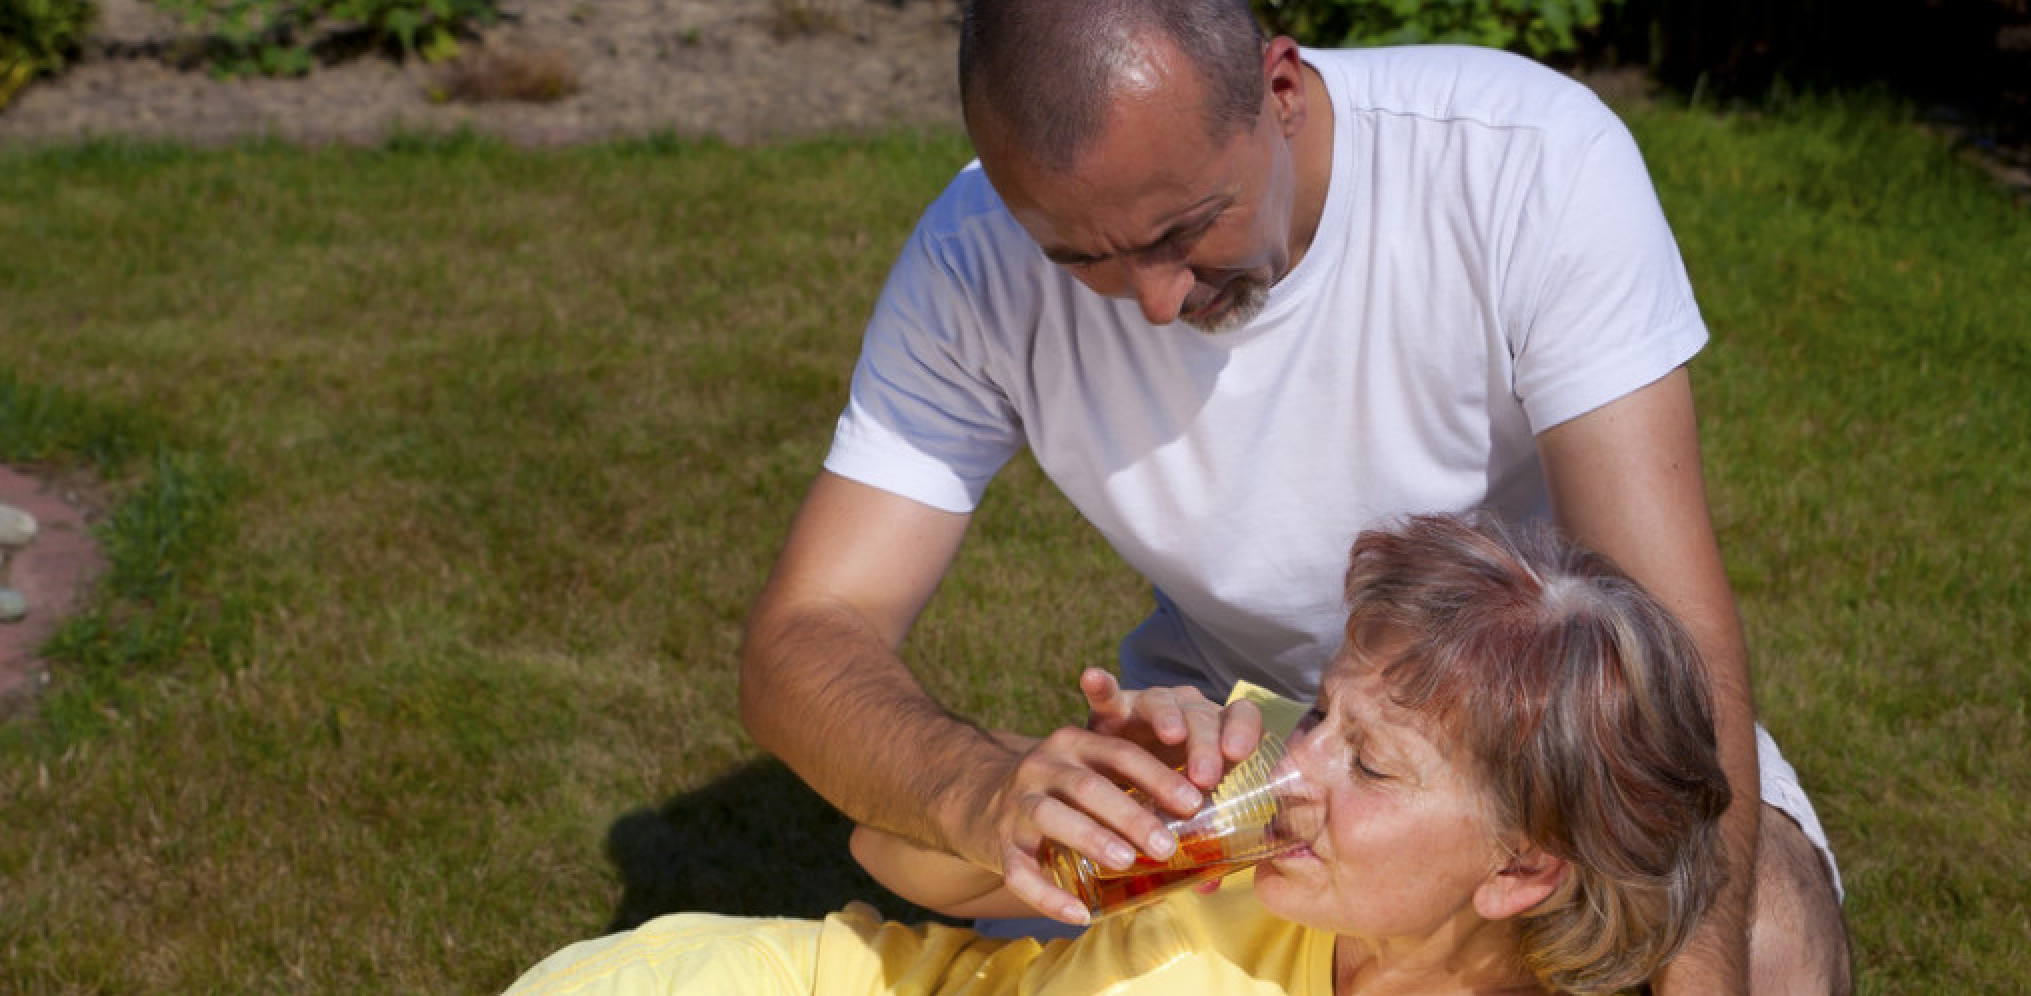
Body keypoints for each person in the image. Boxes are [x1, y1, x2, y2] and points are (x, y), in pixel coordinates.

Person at [737, 1, 1849, 992]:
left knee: (1763, 945)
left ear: (1278, 88)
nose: (1157, 305)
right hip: (1247, 735)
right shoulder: (973, 261)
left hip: (1542, 733)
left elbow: (1669, 627)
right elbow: (806, 634)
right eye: (1083, 259)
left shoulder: (1523, 162)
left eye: (1183, 230)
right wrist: (978, 792)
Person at [513, 514, 1731, 996]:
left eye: (1372, 767)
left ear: (1521, 869)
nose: (1300, 769)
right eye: (1324, 716)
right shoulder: (1245, 819)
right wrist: (1042, 809)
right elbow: (886, 853)